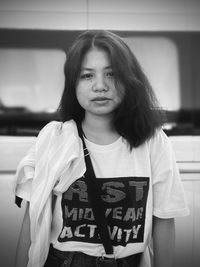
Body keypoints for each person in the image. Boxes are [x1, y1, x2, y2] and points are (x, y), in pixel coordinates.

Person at [14, 30, 189, 267]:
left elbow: (164, 220)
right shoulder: (55, 138)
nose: (100, 86)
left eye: (111, 74)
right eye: (87, 76)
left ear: (129, 79)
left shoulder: (153, 141)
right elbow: (32, 220)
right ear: (73, 83)